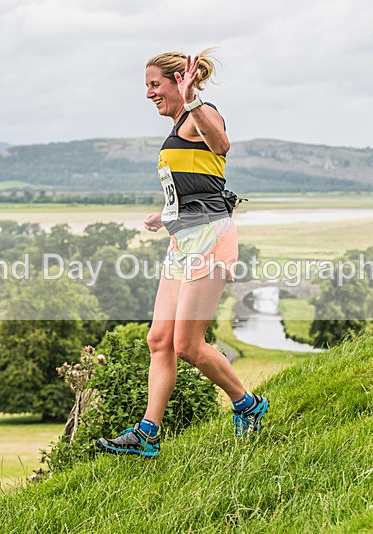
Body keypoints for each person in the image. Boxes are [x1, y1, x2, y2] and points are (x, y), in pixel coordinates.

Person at [96, 50, 268, 457]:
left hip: (210, 239)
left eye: (155, 84)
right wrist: (166, 215)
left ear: (178, 81)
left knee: (188, 346)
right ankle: (147, 435)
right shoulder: (178, 125)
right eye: (147, 86)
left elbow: (222, 145)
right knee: (159, 340)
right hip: (183, 239)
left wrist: (192, 100)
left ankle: (248, 404)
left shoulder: (200, 113)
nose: (149, 93)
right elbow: (199, 185)